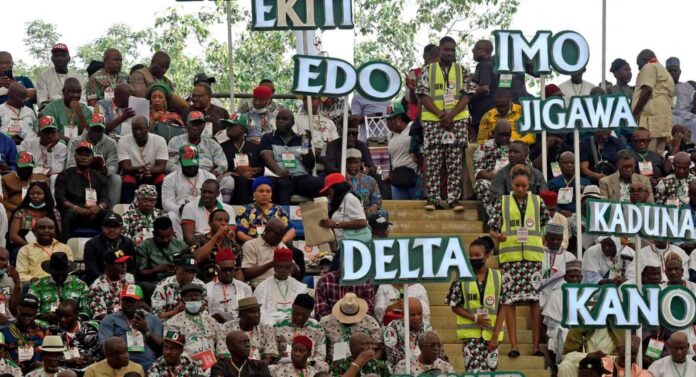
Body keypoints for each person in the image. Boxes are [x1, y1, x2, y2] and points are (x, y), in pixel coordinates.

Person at [488, 164, 549, 357]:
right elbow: (492, 228)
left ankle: (536, 346)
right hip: (511, 258)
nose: (521, 189)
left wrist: (543, 240)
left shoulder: (538, 201)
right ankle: (514, 345)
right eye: (517, 186)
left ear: (529, 184)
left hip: (532, 258)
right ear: (511, 185)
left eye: (524, 186)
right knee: (509, 301)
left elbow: (546, 224)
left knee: (535, 301)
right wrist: (497, 236)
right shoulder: (502, 202)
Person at [417, 36, 476, 211]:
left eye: (452, 50)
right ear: (440, 51)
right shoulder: (428, 70)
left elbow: (468, 94)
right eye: (446, 49)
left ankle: (453, 199)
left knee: (454, 161)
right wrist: (441, 114)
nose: (450, 53)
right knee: (433, 160)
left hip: (457, 120)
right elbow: (422, 94)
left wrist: (451, 115)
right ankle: (433, 199)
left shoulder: (462, 70)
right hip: (433, 120)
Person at [445, 236, 504, 371]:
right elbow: (454, 305)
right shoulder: (462, 277)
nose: (473, 258)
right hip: (471, 336)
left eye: (477, 255)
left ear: (487, 255)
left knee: (490, 372)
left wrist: (495, 337)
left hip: (492, 336)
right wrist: (475, 318)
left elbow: (504, 307)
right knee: (473, 372)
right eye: (471, 255)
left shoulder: (498, 277)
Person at [259, 109, 324, 204]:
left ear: (293, 123)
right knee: (283, 185)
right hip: (280, 178)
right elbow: (268, 159)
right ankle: (284, 217)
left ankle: (321, 215)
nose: (280, 121)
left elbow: (310, 165)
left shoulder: (300, 139)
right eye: (278, 119)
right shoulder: (268, 137)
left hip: (301, 177)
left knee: (320, 184)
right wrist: (279, 172)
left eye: (285, 119)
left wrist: (306, 144)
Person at [167, 111, 232, 202]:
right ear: (187, 124)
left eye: (199, 124)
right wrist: (186, 173)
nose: (196, 127)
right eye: (193, 124)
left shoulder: (211, 143)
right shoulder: (177, 141)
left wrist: (213, 174)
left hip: (208, 176)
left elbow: (223, 164)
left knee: (228, 180)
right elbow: (169, 164)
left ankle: (222, 208)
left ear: (204, 126)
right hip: (184, 174)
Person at [98, 285, 163, 371]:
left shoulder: (153, 319)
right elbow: (104, 348)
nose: (128, 303)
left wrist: (145, 331)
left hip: (148, 364)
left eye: (132, 300)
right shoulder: (110, 319)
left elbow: (160, 347)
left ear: (141, 302)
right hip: (120, 365)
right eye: (125, 300)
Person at [55, 140, 109, 240]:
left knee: (109, 215)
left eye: (87, 155)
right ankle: (64, 248)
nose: (83, 157)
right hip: (74, 213)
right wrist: (76, 208)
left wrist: (99, 207)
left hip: (94, 213)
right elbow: (60, 199)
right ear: (75, 156)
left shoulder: (99, 176)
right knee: (68, 214)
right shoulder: (64, 175)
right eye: (80, 154)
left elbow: (105, 199)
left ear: (92, 158)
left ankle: (108, 248)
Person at [66, 112, 121, 207]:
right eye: (94, 129)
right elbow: (70, 165)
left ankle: (112, 211)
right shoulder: (75, 142)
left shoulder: (111, 143)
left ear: (104, 130)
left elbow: (114, 166)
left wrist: (106, 170)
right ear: (87, 127)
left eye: (99, 130)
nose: (96, 133)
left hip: (102, 175)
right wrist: (83, 170)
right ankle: (76, 206)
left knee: (116, 179)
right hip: (80, 175)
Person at [162, 144, 217, 237]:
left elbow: (218, 199)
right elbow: (166, 202)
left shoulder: (209, 177)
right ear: (180, 162)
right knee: (171, 216)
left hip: (204, 209)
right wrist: (179, 209)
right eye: (187, 165)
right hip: (181, 212)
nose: (191, 168)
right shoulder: (170, 178)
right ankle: (182, 244)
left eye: (193, 164)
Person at [164, 283, 221, 371]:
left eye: (196, 295)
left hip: (213, 365)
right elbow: (172, 350)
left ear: (201, 298)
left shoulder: (211, 321)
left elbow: (220, 345)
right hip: (187, 366)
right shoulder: (173, 323)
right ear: (183, 300)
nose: (193, 298)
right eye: (189, 296)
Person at [542, 260, 583, 375]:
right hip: (562, 330)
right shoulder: (556, 294)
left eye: (577, 277)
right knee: (563, 332)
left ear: (581, 278)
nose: (574, 280)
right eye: (571, 277)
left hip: (584, 332)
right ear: (565, 277)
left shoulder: (588, 293)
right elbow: (550, 324)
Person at [117, 116, 169, 204]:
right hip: (133, 173)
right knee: (127, 179)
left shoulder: (160, 140)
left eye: (141, 129)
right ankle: (128, 209)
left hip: (153, 174)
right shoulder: (123, 141)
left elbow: (162, 167)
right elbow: (126, 167)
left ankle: (160, 209)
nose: (138, 132)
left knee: (162, 178)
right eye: (135, 129)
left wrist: (149, 170)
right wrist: (139, 169)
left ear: (148, 128)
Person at [382, 297, 445, 369]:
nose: (417, 317)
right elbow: (392, 356)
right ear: (403, 314)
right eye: (413, 315)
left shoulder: (427, 328)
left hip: (428, 369)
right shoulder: (392, 328)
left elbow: (440, 353)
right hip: (402, 370)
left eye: (419, 313)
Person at [632, 49, 675, 152]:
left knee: (647, 153)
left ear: (644, 59)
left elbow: (647, 90)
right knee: (658, 154)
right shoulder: (665, 73)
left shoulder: (649, 67)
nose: (638, 68)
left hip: (651, 119)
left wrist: (633, 113)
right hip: (662, 121)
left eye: (639, 64)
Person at [320, 293, 381, 362]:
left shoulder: (369, 322)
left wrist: (371, 362)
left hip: (366, 363)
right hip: (335, 365)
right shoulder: (326, 322)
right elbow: (320, 349)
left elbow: (379, 347)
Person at [215, 297, 278, 362]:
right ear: (241, 314)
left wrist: (255, 368)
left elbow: (269, 356)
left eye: (258, 311)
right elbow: (223, 356)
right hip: (233, 367)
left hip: (259, 367)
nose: (257, 315)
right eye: (252, 312)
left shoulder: (266, 328)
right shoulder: (226, 328)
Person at [28, 252, 89, 318]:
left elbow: (85, 312)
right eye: (56, 273)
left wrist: (72, 318)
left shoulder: (81, 285)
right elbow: (31, 312)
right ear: (50, 271)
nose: (60, 276)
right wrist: (45, 316)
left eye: (63, 273)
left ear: (68, 271)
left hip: (73, 323)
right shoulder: (37, 286)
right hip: (45, 323)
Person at [236, 177, 296, 243]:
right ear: (254, 194)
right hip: (254, 246)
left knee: (297, 253)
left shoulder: (279, 209)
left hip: (276, 246)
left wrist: (281, 242)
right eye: (261, 191)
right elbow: (240, 233)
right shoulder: (246, 209)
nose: (265, 194)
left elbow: (292, 230)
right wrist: (257, 244)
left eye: (268, 191)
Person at [254, 248, 308, 323]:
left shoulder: (300, 287)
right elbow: (260, 313)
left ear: (292, 266)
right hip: (272, 325)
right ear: (274, 266)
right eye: (280, 267)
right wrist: (280, 320)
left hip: (295, 322)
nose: (283, 270)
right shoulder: (262, 287)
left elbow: (305, 310)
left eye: (287, 267)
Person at [219, 114, 263, 204]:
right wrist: (237, 172)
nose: (228, 128)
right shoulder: (221, 147)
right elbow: (219, 167)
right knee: (241, 180)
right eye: (227, 125)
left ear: (243, 129)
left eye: (232, 125)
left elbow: (262, 167)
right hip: (231, 180)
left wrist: (251, 170)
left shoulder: (254, 147)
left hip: (252, 179)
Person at [84, 212, 137, 285]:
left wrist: (127, 279)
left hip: (124, 280)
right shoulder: (91, 244)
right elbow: (91, 270)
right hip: (100, 282)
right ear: (102, 227)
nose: (112, 229)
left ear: (122, 228)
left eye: (115, 226)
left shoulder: (128, 242)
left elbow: (132, 267)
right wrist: (109, 281)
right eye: (108, 226)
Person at [0, 294, 48, 373]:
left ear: (36, 312)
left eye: (30, 315)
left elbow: (54, 353)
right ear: (18, 309)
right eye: (23, 314)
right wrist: (10, 364)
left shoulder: (45, 329)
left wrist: (43, 364)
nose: (26, 318)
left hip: (41, 372)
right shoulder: (5, 330)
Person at [8, 181, 61, 252]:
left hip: (48, 246)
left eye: (39, 193)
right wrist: (30, 246)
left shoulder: (53, 212)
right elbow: (13, 236)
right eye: (32, 194)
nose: (35, 196)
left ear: (46, 194)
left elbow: (58, 233)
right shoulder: (22, 212)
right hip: (24, 246)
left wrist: (45, 247)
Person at [16, 218, 73, 284]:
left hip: (59, 283)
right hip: (36, 286)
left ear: (55, 231)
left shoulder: (65, 248)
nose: (46, 230)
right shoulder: (25, 250)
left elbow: (70, 271)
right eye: (42, 228)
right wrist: (33, 279)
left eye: (50, 228)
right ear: (35, 231)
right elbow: (21, 274)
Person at [273, 293, 326, 363]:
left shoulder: (317, 329)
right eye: (297, 313)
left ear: (310, 313)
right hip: (285, 366)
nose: (299, 318)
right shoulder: (279, 326)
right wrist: (280, 356)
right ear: (292, 307)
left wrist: (307, 363)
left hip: (309, 366)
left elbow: (321, 355)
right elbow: (273, 352)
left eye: (304, 315)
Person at [318, 173, 369, 245]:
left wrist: (335, 224)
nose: (329, 196)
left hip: (354, 246)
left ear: (337, 188)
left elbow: (362, 222)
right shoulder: (340, 201)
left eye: (329, 193)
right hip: (344, 246)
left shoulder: (349, 198)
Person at [181, 179, 236, 245]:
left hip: (221, 244)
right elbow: (188, 238)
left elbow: (231, 236)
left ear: (218, 194)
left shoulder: (228, 208)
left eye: (210, 192)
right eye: (204, 192)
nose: (206, 195)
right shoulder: (189, 207)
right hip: (198, 245)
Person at [151, 256, 206, 320]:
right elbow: (156, 316)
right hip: (170, 324)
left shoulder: (200, 286)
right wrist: (175, 312)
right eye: (186, 271)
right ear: (176, 268)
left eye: (192, 272)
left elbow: (205, 311)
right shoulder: (163, 287)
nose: (189, 275)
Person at [205, 248, 252, 323]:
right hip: (214, 327)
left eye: (231, 269)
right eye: (224, 270)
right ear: (216, 269)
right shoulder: (206, 288)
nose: (228, 273)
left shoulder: (244, 288)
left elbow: (249, 312)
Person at [136, 216, 188, 283]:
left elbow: (191, 263)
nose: (165, 240)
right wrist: (158, 269)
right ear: (154, 233)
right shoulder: (144, 246)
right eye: (161, 237)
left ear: (172, 232)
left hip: (178, 279)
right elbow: (141, 272)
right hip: (155, 281)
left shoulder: (181, 245)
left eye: (168, 236)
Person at [88, 247, 136, 319]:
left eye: (125, 261)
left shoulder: (129, 278)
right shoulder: (97, 287)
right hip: (111, 324)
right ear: (108, 264)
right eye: (120, 263)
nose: (124, 265)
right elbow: (100, 315)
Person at [383, 103, 419, 199]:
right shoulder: (390, 135)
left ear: (399, 118)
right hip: (397, 177)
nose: (388, 123)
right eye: (387, 120)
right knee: (399, 209)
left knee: (417, 206)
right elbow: (392, 157)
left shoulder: (412, 127)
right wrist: (390, 174)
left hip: (414, 174)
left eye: (390, 120)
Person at [558, 325, 625, 377]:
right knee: (565, 366)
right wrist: (588, 356)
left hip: (610, 367)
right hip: (585, 366)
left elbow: (626, 356)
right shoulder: (580, 324)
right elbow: (568, 356)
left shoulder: (618, 325)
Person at [21, 115, 67, 190]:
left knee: (54, 178)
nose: (50, 135)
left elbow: (55, 171)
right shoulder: (27, 144)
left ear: (57, 133)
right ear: (39, 133)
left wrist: (49, 150)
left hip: (50, 177)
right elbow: (24, 168)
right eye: (46, 132)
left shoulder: (62, 147)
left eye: (52, 132)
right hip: (32, 175)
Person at [474, 119, 513, 206]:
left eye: (507, 135)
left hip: (514, 181)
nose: (504, 138)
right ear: (494, 133)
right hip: (492, 180)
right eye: (501, 134)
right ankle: (493, 213)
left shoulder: (517, 146)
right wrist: (493, 176)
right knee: (480, 185)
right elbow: (478, 171)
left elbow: (527, 166)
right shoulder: (484, 147)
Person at [241, 218, 289, 288]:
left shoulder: (281, 245)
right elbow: (247, 273)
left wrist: (292, 265)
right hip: (261, 287)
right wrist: (272, 264)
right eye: (278, 234)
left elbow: (296, 272)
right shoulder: (251, 245)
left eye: (282, 235)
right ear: (267, 230)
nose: (280, 238)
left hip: (283, 285)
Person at [294, 96, 338, 171]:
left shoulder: (329, 122)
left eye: (313, 98)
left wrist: (325, 150)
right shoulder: (296, 119)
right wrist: (312, 149)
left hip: (327, 155)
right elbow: (293, 142)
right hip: (306, 155)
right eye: (306, 98)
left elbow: (336, 143)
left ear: (320, 101)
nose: (309, 100)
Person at [53, 300, 100, 369]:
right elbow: (49, 358)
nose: (62, 319)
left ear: (76, 314)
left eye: (67, 316)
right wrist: (67, 361)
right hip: (64, 371)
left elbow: (99, 354)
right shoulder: (53, 332)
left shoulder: (90, 329)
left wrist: (92, 360)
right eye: (60, 315)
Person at [547, 151, 591, 215]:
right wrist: (560, 211)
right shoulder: (553, 183)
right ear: (559, 165)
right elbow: (550, 204)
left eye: (572, 162)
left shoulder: (586, 182)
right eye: (566, 163)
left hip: (582, 216)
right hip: (561, 217)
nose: (569, 165)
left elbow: (590, 202)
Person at [666, 57, 696, 137]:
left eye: (675, 70)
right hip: (670, 116)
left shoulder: (688, 86)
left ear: (679, 72)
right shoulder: (661, 87)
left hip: (687, 116)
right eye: (669, 71)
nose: (672, 73)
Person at [345, 149, 381, 214]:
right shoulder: (339, 180)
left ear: (361, 163)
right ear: (345, 163)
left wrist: (368, 211)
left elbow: (377, 201)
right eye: (350, 162)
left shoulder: (370, 180)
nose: (353, 165)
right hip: (345, 214)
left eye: (356, 162)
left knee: (382, 213)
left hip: (366, 213)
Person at [0, 248, 20, 322]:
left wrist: (17, 284)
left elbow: (13, 309)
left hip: (8, 321)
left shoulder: (10, 279)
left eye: (3, 259)